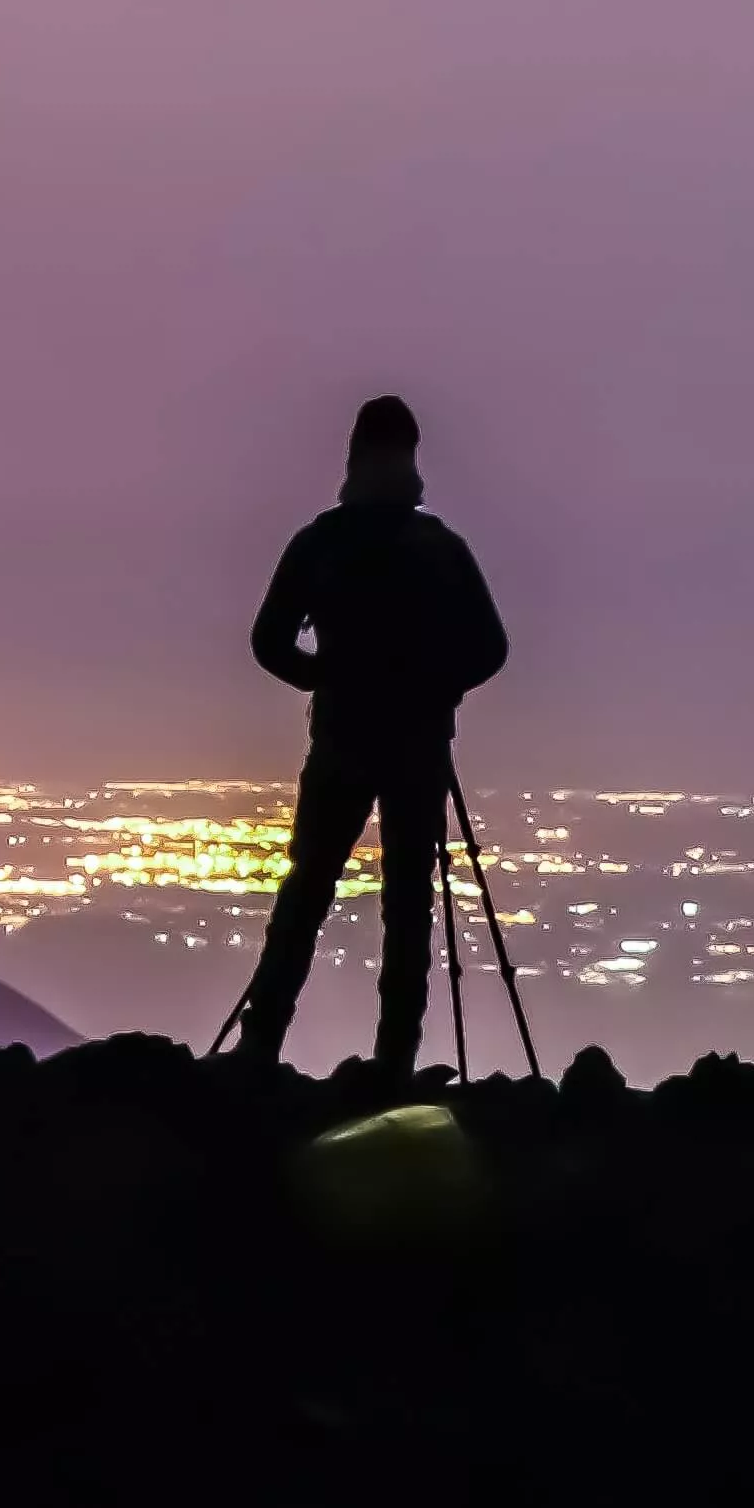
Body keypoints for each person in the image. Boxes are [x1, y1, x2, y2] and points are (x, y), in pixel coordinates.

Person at [228, 394, 509, 1073]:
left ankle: (260, 1041)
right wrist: (438, 685)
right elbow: (490, 647)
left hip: (342, 740)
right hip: (416, 744)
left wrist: (324, 676)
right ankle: (395, 1059)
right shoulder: (440, 547)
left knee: (308, 886)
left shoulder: (321, 542)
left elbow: (269, 640)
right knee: (408, 898)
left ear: (354, 456)